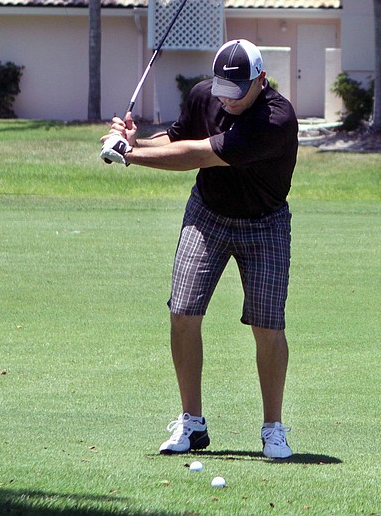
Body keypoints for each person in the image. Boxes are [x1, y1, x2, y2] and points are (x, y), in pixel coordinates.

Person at [100, 39, 299, 459]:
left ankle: (273, 429)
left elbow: (196, 154)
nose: (227, 100)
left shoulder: (275, 119)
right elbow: (177, 137)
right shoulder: (206, 95)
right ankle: (192, 424)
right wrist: (135, 140)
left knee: (268, 327)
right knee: (183, 312)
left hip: (264, 224)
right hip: (207, 214)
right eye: (222, 90)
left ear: (260, 81)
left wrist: (131, 156)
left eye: (237, 92)